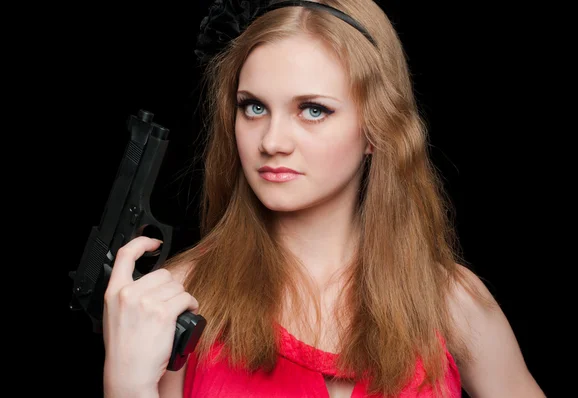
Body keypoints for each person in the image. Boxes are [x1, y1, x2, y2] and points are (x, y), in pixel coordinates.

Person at [101, 1, 546, 397]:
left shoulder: (451, 302)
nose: (272, 141)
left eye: (313, 110)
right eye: (253, 107)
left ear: (376, 129)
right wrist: (128, 384)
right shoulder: (178, 300)